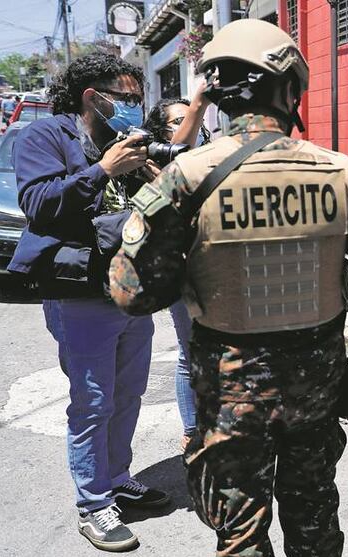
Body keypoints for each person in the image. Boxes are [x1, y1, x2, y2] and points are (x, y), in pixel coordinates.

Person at [109, 20, 348, 557]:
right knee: (312, 495)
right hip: (317, 385)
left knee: (239, 517)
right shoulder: (339, 173)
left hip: (229, 392)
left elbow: (133, 292)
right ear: (288, 88)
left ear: (220, 94)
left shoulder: (188, 176)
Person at [8, 53, 170, 553]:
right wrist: (102, 170)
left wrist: (153, 176)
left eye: (136, 100)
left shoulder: (123, 143)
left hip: (131, 289)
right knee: (93, 400)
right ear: (91, 97)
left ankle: (117, 477)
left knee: (129, 394)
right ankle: (94, 504)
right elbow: (38, 205)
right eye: (123, 98)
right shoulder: (43, 137)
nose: (131, 108)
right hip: (78, 291)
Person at [141, 85, 213, 447]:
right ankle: (192, 431)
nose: (194, 124)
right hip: (185, 271)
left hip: (221, 267)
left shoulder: (216, 155)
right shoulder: (160, 164)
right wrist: (198, 103)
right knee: (191, 354)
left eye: (195, 118)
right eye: (180, 121)